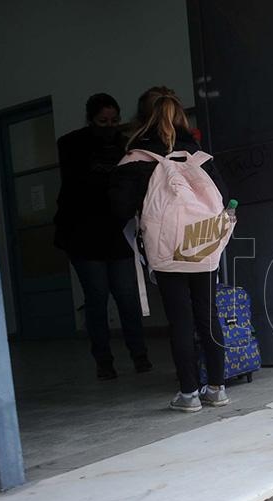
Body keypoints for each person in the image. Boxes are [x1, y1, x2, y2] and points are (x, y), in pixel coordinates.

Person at [111, 87, 229, 412]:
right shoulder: (200, 157)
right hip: (203, 242)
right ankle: (217, 388)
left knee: (180, 320)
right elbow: (224, 196)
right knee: (208, 315)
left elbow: (118, 208)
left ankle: (189, 394)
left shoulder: (136, 159)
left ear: (141, 117)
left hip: (166, 248)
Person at [54, 93, 151, 381]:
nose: (109, 126)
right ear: (91, 120)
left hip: (115, 231)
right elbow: (78, 186)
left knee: (126, 297)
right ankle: (105, 360)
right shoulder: (74, 145)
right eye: (103, 121)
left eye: (113, 120)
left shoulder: (124, 144)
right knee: (97, 297)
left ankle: (138, 355)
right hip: (84, 232)